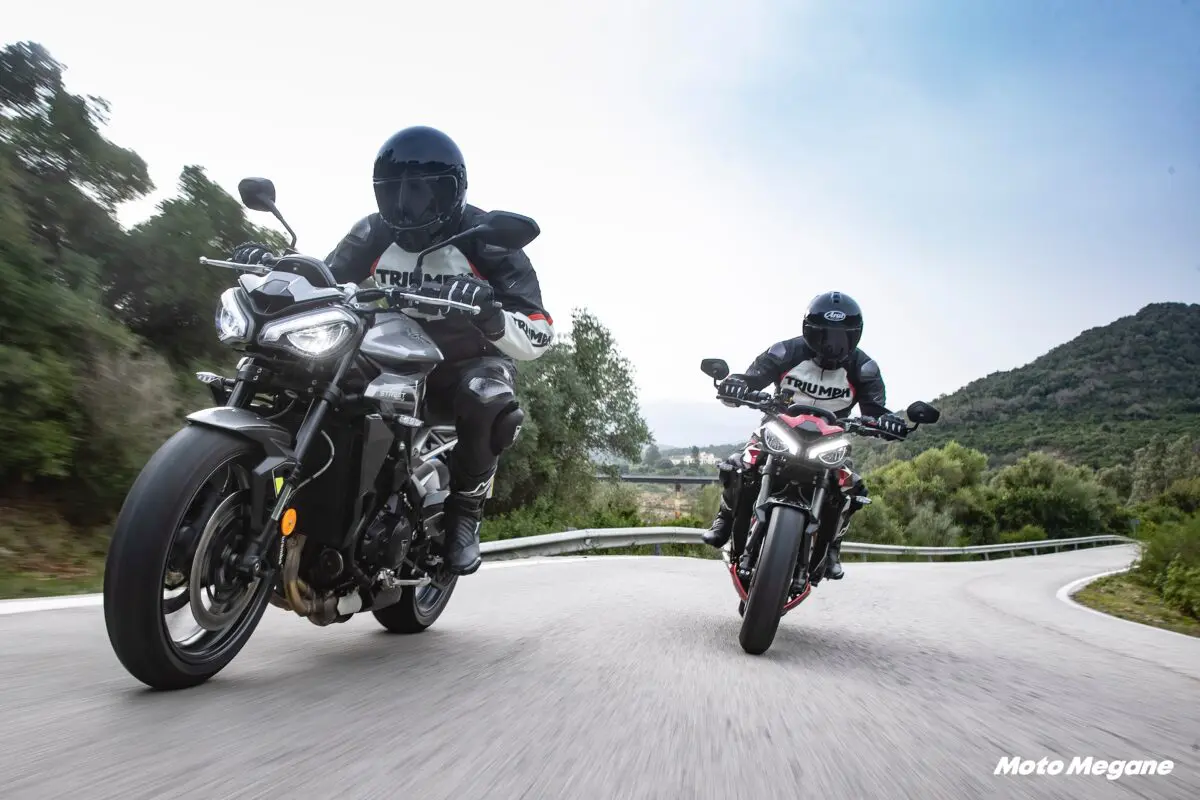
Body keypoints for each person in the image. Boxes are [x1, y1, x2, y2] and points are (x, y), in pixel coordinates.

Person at [228, 125, 554, 576]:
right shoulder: (374, 231)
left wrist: (491, 315)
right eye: (393, 190)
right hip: (392, 350)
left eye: (419, 191)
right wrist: (273, 266)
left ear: (452, 190)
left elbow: (539, 331)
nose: (405, 204)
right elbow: (326, 282)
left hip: (465, 363)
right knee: (309, 367)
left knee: (486, 396)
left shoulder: (488, 240)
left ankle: (465, 511)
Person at [701, 290, 907, 580]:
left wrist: (889, 422)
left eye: (841, 337)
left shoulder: (864, 368)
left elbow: (875, 409)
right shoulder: (785, 352)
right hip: (778, 430)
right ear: (808, 330)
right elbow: (750, 379)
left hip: (830, 439)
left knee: (852, 487)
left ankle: (832, 547)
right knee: (739, 464)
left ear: (855, 336)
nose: (831, 343)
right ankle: (724, 519)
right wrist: (733, 384)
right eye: (823, 334)